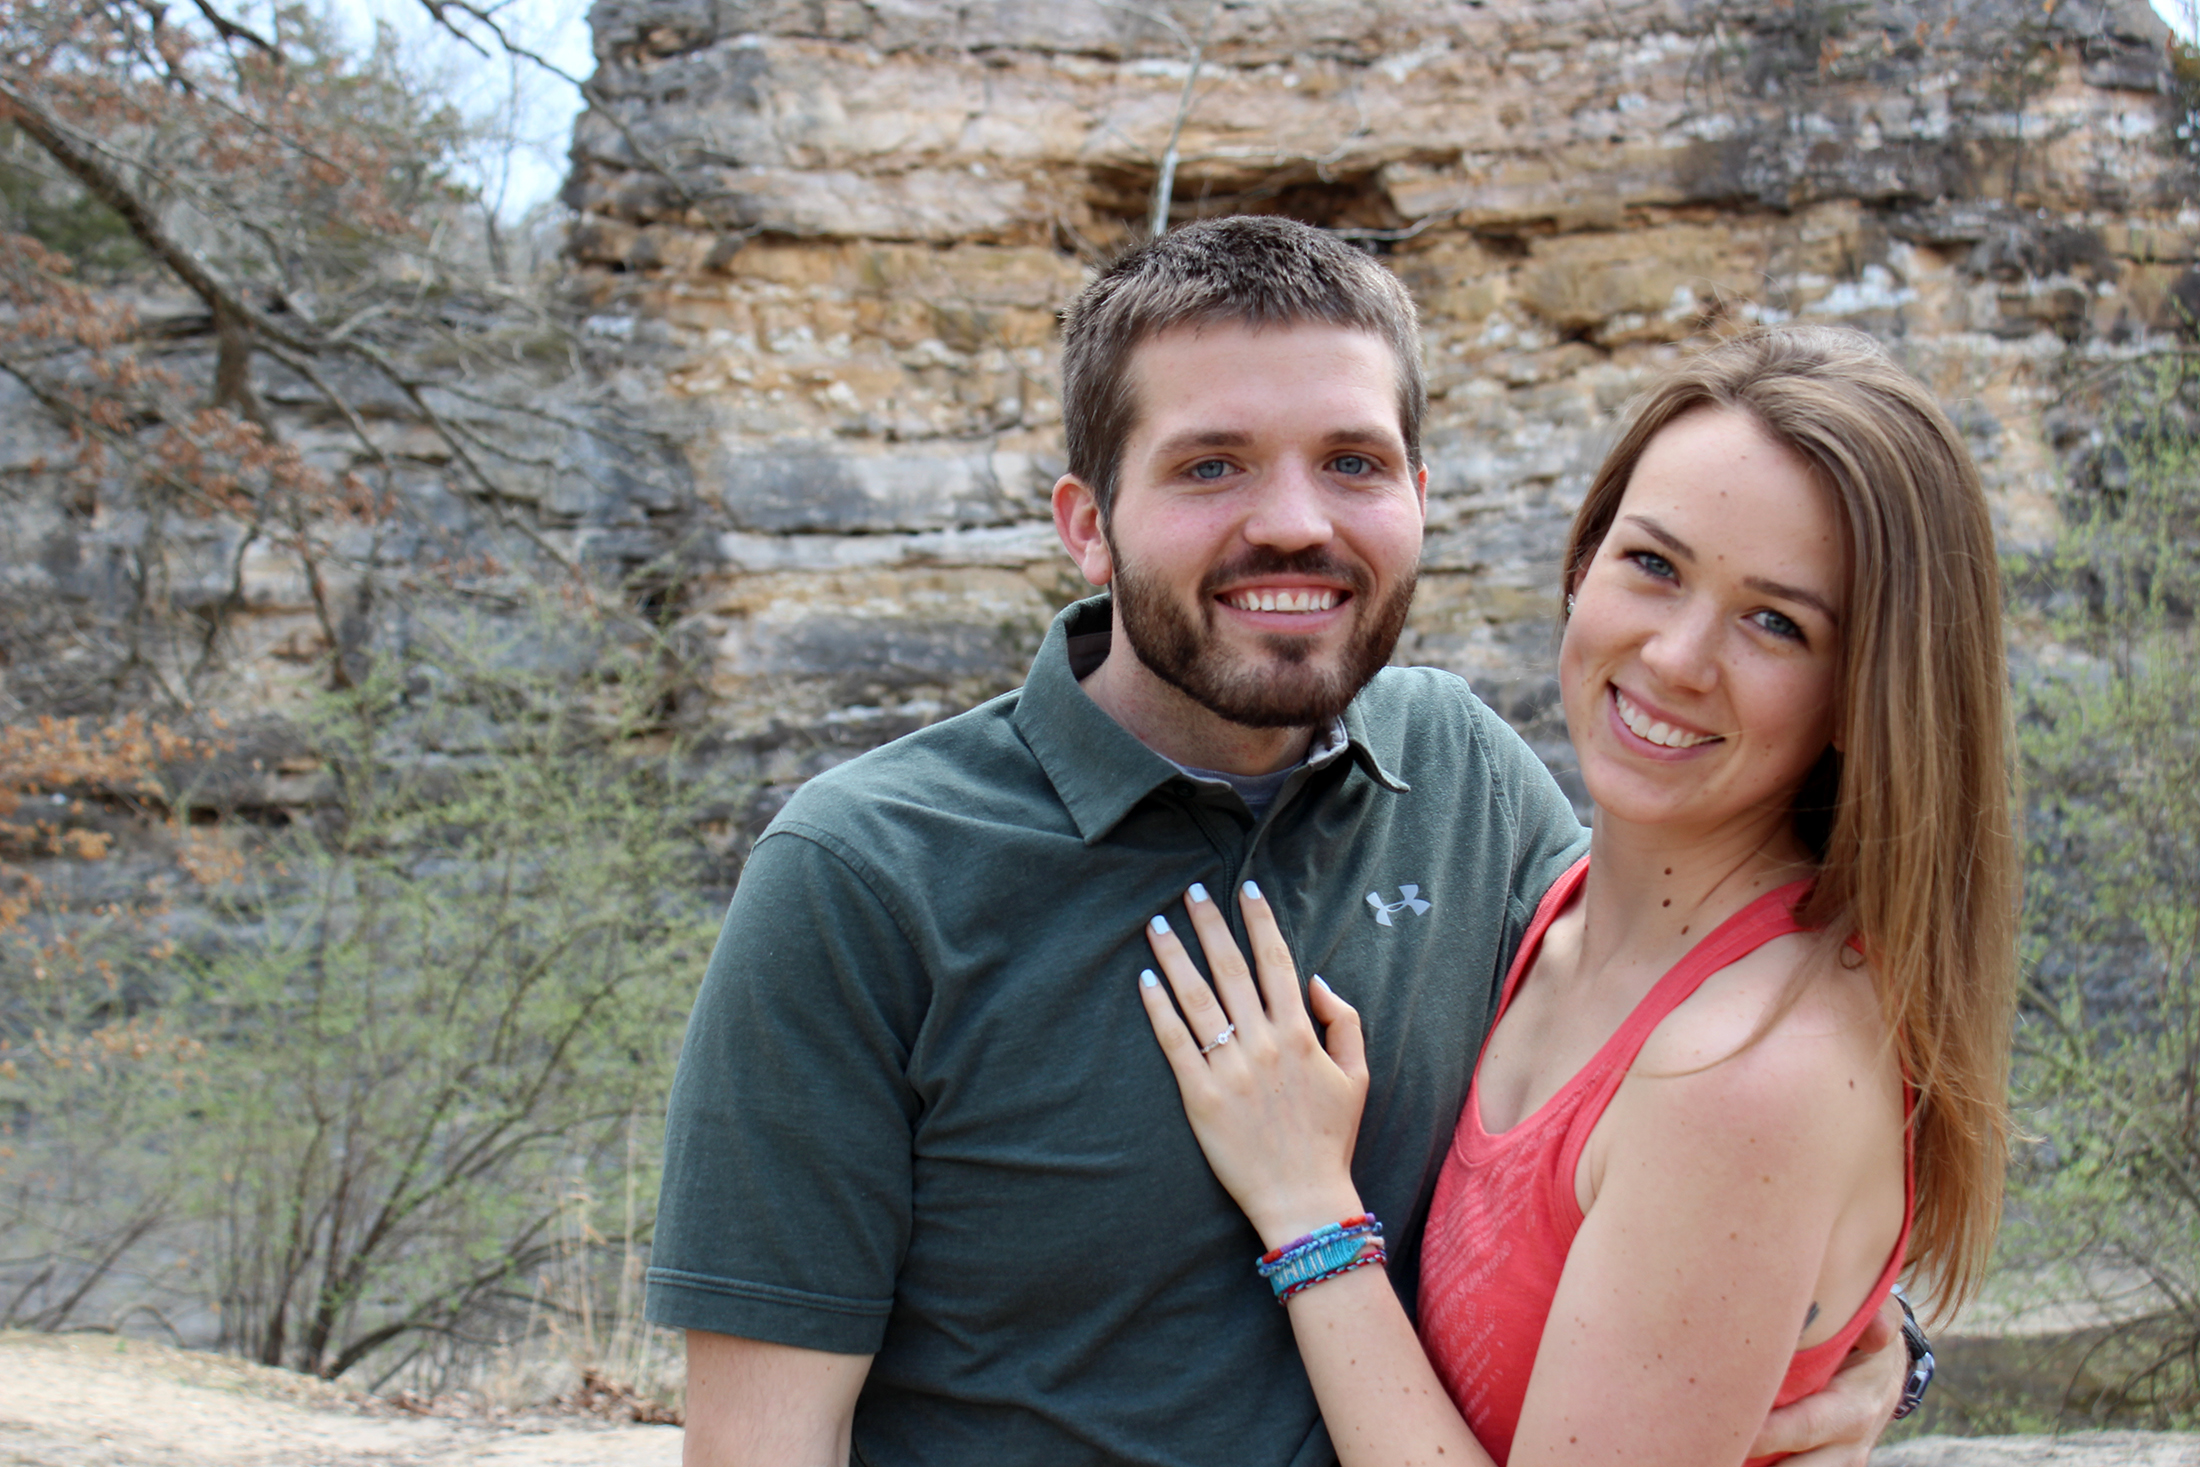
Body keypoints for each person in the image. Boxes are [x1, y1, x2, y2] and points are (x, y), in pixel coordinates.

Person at [648, 218, 1912, 1466]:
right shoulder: (864, 878)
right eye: (1212, 467)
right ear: (1087, 523)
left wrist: (1865, 1345)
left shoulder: (1464, 778)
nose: (1296, 523)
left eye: (1354, 464)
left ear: (1418, 498)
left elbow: (1684, 1143)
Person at [1135, 324, 2015, 1466]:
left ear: (1866, 691)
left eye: (1775, 623)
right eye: (1652, 565)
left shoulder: (1742, 1072)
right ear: (1581, 563)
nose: (1675, 657)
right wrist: (1858, 1337)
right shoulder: (1554, 898)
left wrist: (1308, 1211)